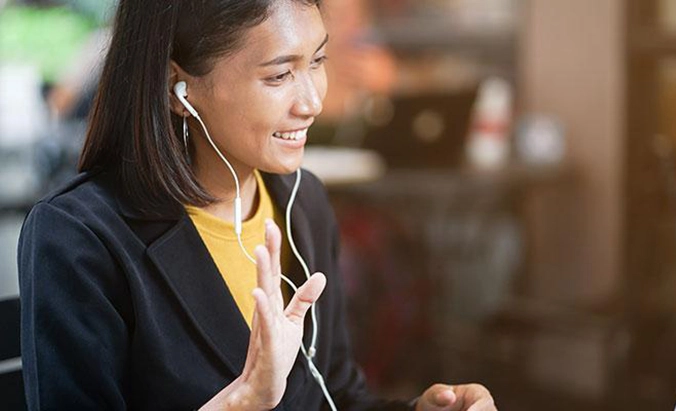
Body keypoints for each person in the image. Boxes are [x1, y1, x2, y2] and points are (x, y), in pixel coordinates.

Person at [17, 1, 497, 410]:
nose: (311, 101)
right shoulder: (80, 238)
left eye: (318, 60)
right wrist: (241, 403)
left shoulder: (301, 201)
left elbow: (338, 396)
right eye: (280, 75)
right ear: (177, 89)